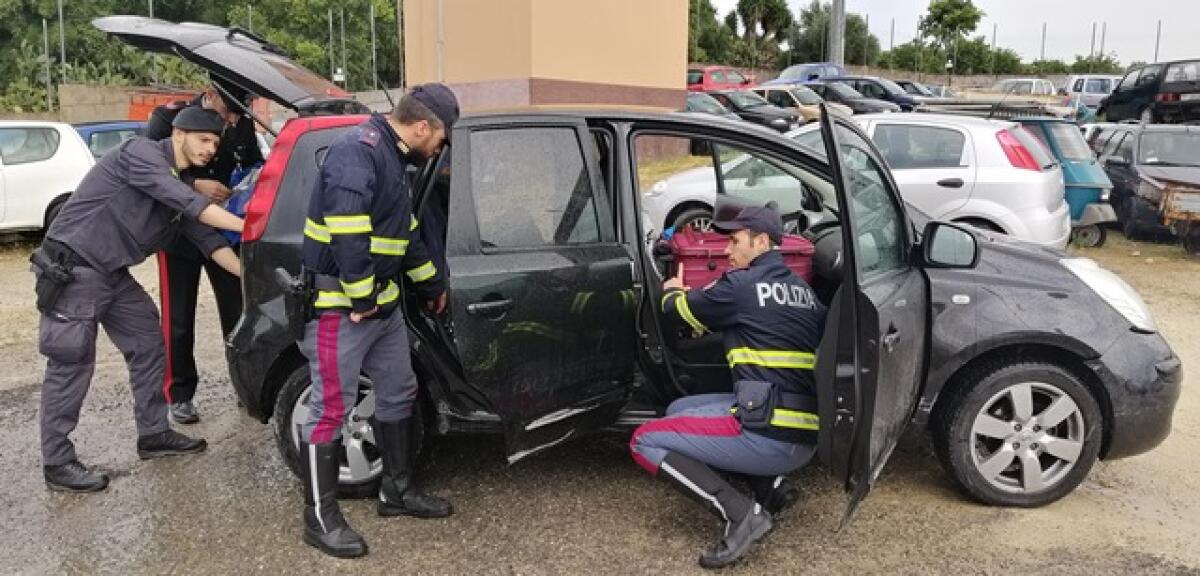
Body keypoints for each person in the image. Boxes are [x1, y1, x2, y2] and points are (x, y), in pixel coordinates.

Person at [33, 107, 245, 493]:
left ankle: (153, 434)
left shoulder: (176, 185)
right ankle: (57, 461)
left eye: (215, 142)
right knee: (71, 362)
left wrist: (253, 276)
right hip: (75, 269)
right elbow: (191, 203)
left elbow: (210, 244)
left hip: (111, 273)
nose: (211, 148)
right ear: (179, 134)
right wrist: (250, 224)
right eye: (203, 139)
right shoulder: (142, 154)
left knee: (149, 343)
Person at [296, 84, 458, 559]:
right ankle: (319, 519)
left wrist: (432, 286)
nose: (441, 147)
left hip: (382, 309)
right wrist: (362, 294)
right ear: (423, 126)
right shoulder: (357, 151)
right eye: (443, 136)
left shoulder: (394, 158)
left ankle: (397, 491)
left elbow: (403, 234)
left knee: (399, 391)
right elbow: (347, 227)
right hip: (341, 309)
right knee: (330, 409)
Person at [629, 204, 827, 569]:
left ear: (762, 241)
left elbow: (679, 311)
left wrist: (671, 288)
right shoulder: (803, 291)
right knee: (678, 410)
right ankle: (773, 487)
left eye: (735, 241)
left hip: (768, 432)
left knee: (644, 439)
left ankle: (741, 514)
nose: (726, 250)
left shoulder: (742, 286)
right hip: (803, 431)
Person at [144, 76, 264, 424]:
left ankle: (246, 386)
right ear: (210, 95)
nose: (233, 122)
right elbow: (154, 171)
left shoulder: (240, 123)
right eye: (229, 110)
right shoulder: (169, 120)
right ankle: (179, 394)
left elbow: (254, 168)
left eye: (240, 114)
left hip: (223, 230)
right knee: (178, 318)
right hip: (177, 230)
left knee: (239, 312)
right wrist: (195, 184)